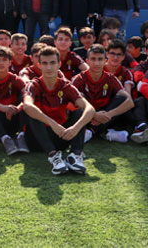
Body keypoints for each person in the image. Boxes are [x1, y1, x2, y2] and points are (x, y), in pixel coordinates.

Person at [23, 46, 94, 175]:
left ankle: (75, 155)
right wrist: (53, 124)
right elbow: (27, 106)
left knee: (79, 112)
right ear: (39, 65)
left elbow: (90, 109)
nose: (49, 67)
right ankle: (53, 157)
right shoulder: (33, 84)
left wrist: (75, 128)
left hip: (61, 136)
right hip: (36, 140)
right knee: (32, 112)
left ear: (59, 64)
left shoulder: (65, 85)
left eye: (52, 63)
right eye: (45, 63)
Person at [71, 45, 134, 144]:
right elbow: (69, 103)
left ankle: (90, 132)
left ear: (105, 61)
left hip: (105, 116)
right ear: (87, 61)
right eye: (93, 59)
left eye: (100, 59)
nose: (96, 63)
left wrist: (109, 114)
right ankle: (105, 133)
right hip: (87, 116)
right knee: (77, 101)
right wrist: (94, 115)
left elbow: (130, 102)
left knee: (122, 97)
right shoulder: (79, 79)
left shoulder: (111, 78)